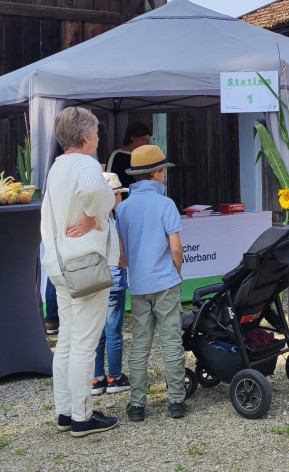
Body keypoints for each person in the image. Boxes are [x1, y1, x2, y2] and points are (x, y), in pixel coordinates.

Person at [40, 106, 119, 438]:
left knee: (68, 342)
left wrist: (91, 213)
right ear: (86, 136)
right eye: (97, 132)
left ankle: (65, 412)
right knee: (84, 344)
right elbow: (94, 193)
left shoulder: (57, 166)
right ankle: (82, 418)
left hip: (59, 265)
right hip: (84, 264)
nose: (99, 137)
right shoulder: (86, 164)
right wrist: (95, 215)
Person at [116, 145, 185, 421]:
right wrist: (177, 272)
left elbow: (121, 256)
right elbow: (176, 248)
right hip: (166, 281)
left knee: (140, 345)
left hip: (139, 285)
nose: (164, 175)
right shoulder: (166, 204)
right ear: (157, 173)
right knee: (171, 342)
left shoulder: (123, 208)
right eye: (163, 171)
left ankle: (137, 405)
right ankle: (176, 401)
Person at [91, 173, 131, 396]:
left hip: (94, 282)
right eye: (118, 195)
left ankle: (97, 378)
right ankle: (115, 377)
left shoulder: (91, 223)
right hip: (114, 282)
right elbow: (121, 258)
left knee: (98, 333)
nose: (121, 199)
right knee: (114, 333)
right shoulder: (113, 224)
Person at [106, 122, 151, 192]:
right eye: (142, 139)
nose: (145, 143)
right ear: (132, 137)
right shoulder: (117, 155)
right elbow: (109, 179)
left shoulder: (147, 156)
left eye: (147, 140)